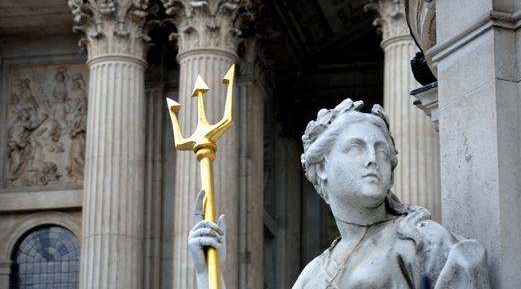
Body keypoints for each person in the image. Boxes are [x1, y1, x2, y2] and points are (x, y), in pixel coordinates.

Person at [189, 99, 491, 288]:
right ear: (321, 168)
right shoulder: (311, 276)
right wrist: (208, 275)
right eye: (355, 148)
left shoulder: (423, 241)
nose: (373, 159)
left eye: (381, 150)